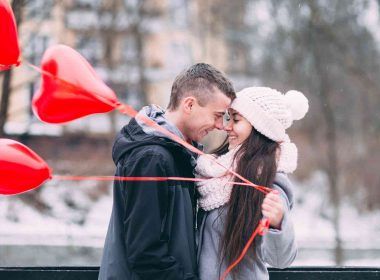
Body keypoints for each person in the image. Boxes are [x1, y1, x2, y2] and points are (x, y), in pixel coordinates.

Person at [98, 63, 235, 280]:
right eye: (217, 115)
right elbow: (145, 252)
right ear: (189, 105)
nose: (220, 126)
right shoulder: (152, 158)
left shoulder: (178, 154)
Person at [196, 87, 309, 279]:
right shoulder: (214, 171)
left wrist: (277, 223)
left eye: (236, 119)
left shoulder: (269, 181)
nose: (227, 126)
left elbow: (281, 260)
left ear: (260, 127)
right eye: (228, 118)